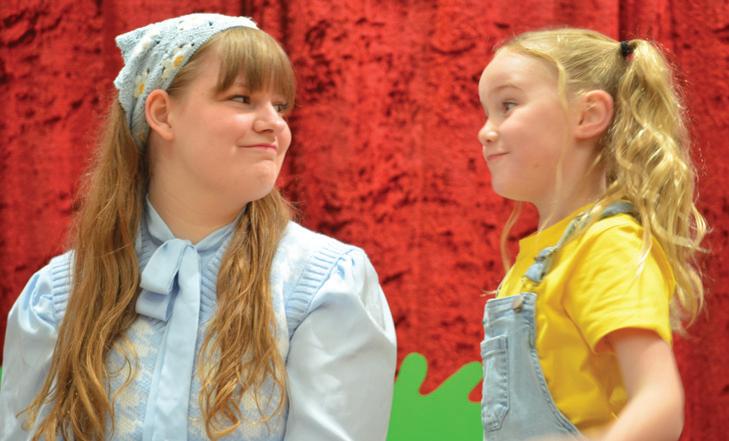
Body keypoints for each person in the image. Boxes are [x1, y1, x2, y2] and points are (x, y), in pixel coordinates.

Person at [0, 13, 396, 441]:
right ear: (162, 114)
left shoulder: (321, 285)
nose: (274, 124)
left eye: (280, 106)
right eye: (242, 98)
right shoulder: (58, 296)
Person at [476, 28, 706, 441]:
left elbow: (659, 403)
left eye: (508, 105)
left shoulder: (607, 245)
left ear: (588, 115)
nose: (485, 131)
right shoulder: (543, 259)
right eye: (486, 112)